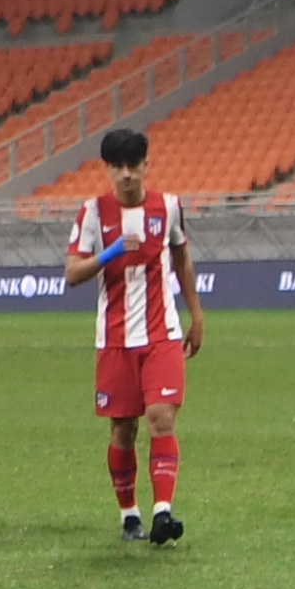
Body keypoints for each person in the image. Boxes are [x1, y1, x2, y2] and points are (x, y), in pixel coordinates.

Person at [65, 123, 199, 542]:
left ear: (146, 165)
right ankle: (129, 514)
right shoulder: (92, 213)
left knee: (162, 419)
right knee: (123, 429)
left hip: (162, 334)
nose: (126, 175)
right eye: (117, 167)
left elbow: (181, 258)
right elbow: (72, 274)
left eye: (133, 166)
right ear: (107, 169)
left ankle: (163, 512)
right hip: (115, 339)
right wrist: (110, 251)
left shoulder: (169, 207)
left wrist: (197, 314)